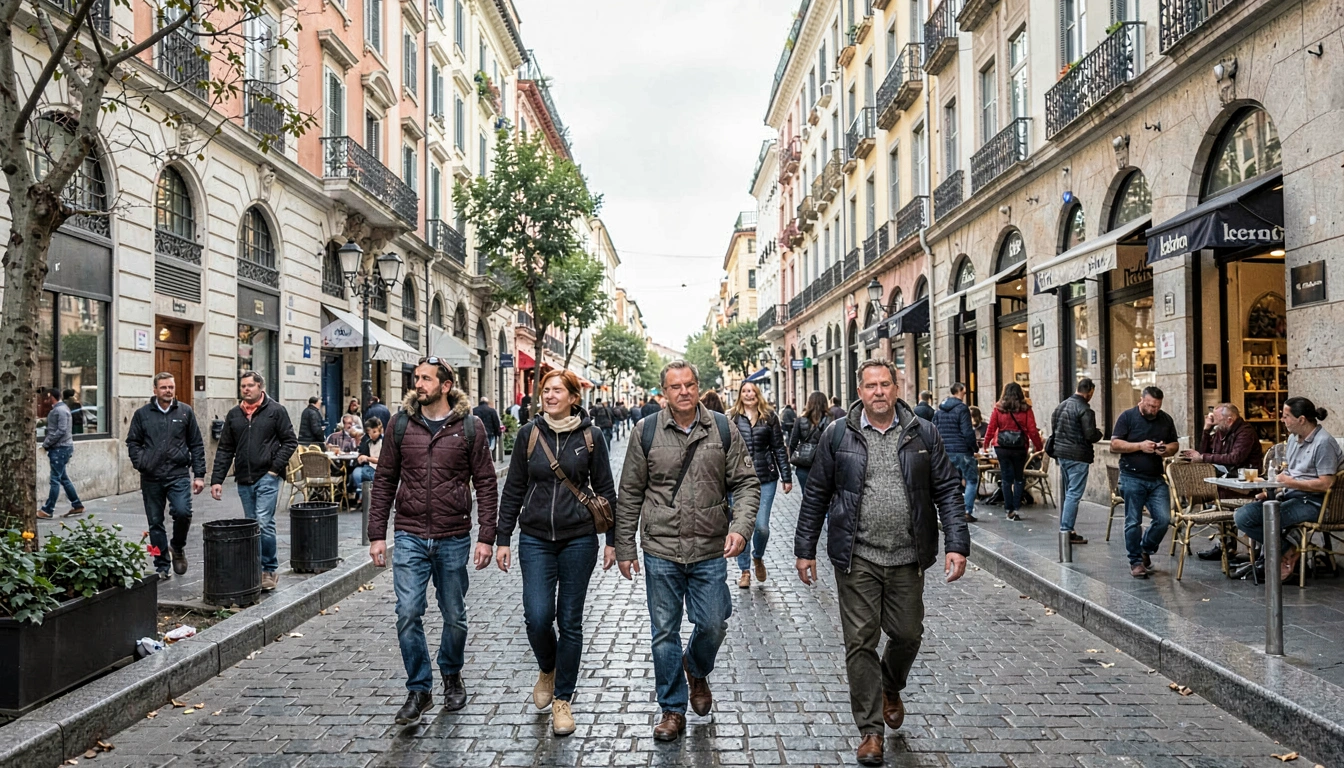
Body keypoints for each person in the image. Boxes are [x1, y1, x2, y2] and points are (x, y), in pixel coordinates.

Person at [793, 359, 969, 767]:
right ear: (860, 390)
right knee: (860, 642)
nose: (878, 392)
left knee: (908, 633)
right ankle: (870, 731)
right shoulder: (838, 435)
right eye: (870, 385)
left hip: (908, 555)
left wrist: (957, 543)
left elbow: (946, 489)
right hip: (857, 556)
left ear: (896, 386)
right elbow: (816, 494)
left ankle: (891, 685)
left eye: (885, 384)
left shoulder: (923, 432)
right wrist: (805, 549)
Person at [615, 360, 760, 742]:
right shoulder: (645, 431)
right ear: (664, 393)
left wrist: (741, 528)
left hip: (710, 547)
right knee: (664, 632)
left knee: (713, 623)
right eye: (675, 386)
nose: (683, 391)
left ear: (698, 387)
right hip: (660, 548)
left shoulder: (723, 428)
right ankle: (671, 709)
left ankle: (695, 668)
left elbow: (746, 483)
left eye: (690, 384)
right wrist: (624, 544)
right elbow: (629, 492)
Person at [367, 358, 498, 726]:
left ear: (445, 385)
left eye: (425, 378)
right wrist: (377, 533)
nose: (418, 384)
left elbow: (487, 483)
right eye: (415, 378)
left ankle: (451, 674)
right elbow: (384, 481)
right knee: (408, 612)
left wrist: (486, 536)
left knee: (454, 616)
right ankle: (419, 688)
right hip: (409, 533)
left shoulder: (470, 428)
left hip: (453, 535)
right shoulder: (400, 424)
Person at [495, 369, 618, 736]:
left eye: (557, 391)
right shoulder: (528, 435)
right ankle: (547, 667)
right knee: (537, 616)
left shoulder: (591, 437)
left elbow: (607, 491)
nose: (549, 396)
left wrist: (612, 540)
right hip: (534, 538)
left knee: (570, 621)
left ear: (573, 397)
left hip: (579, 538)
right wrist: (503, 538)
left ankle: (563, 698)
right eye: (545, 390)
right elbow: (514, 488)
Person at [1234, 398, 1341, 582]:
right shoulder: (1292, 439)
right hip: (1291, 496)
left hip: (1315, 502)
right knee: (1242, 516)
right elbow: (1289, 472)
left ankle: (1279, 556)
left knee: (1269, 517)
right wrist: (1272, 489)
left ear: (1301, 419)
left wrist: (1290, 482)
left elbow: (1326, 483)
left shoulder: (1324, 443)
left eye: (1286, 416)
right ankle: (1288, 548)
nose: (1282, 420)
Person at [210, 372, 298, 591]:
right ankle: (254, 569)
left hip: (267, 477)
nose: (246, 389)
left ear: (260, 387)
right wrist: (217, 480)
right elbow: (225, 449)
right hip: (243, 478)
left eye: (250, 385)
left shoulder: (276, 411)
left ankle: (269, 569)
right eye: (243, 386)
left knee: (263, 521)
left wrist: (274, 469)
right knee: (251, 523)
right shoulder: (234, 415)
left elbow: (290, 441)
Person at [126, 373, 207, 579]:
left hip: (178, 473)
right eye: (163, 387)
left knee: (183, 512)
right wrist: (141, 462)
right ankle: (161, 564)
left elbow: (196, 444)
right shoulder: (142, 414)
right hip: (151, 476)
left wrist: (199, 474)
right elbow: (133, 441)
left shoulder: (185, 412)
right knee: (155, 522)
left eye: (171, 387)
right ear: (155, 390)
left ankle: (177, 547)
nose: (168, 391)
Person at [1110, 386, 1180, 578]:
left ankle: (1145, 549)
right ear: (1141, 400)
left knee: (1164, 519)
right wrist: (1140, 446)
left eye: (1157, 406)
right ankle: (1135, 562)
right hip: (1131, 475)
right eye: (1150, 406)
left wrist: (1165, 449)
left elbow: (1175, 444)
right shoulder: (1127, 417)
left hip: (1156, 477)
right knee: (1133, 521)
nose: (1153, 410)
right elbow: (1114, 444)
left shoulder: (1165, 419)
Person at [728, 380, 792, 589]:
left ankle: (758, 556)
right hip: (739, 480)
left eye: (752, 391)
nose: (748, 394)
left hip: (766, 478)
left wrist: (786, 476)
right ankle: (745, 570)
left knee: (761, 527)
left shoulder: (769, 417)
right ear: (740, 394)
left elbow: (778, 447)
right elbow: (724, 449)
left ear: (757, 394)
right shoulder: (732, 417)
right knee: (742, 526)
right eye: (744, 391)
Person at [1181, 403, 1263, 561]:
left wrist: (1203, 458)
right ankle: (1225, 545)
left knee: (1221, 495)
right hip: (1230, 477)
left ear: (1230, 420)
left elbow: (1235, 458)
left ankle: (1235, 546)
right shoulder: (1221, 431)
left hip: (1250, 476)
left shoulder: (1245, 432)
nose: (1215, 423)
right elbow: (1204, 452)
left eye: (1217, 420)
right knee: (1219, 494)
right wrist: (1206, 430)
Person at [1049, 378, 1105, 544]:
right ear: (1090, 392)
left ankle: (1068, 528)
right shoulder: (1085, 409)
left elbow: (1055, 429)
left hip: (1061, 454)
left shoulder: (1060, 406)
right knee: (1074, 493)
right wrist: (1099, 433)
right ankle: (1066, 530)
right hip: (1078, 455)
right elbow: (1090, 434)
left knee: (1069, 492)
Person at [983, 382, 1043, 522]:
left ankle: (1008, 509)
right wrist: (1039, 447)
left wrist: (986, 443)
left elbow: (991, 427)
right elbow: (1032, 430)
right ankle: (1016, 507)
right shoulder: (1026, 409)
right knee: (1019, 478)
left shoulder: (998, 408)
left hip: (1002, 447)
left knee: (1005, 478)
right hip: (1019, 447)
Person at [933, 383, 980, 523]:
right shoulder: (962, 408)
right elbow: (967, 432)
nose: (965, 396)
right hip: (962, 450)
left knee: (951, 482)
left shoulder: (939, 410)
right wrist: (974, 447)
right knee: (971, 480)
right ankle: (966, 511)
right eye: (964, 393)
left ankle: (950, 510)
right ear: (960, 391)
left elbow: (934, 429)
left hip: (945, 450)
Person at [38, 388, 84, 519]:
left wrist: (47, 443)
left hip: (60, 448)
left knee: (55, 480)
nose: (45, 400)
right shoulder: (62, 409)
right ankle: (77, 504)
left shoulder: (60, 410)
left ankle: (48, 509)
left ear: (51, 397)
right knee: (63, 478)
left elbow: (61, 430)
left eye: (47, 398)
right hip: (62, 448)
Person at [788, 391, 832, 493]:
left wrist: (794, 458)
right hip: (824, 465)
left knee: (806, 496)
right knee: (824, 498)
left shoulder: (800, 420)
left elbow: (793, 442)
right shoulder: (831, 420)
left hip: (804, 465)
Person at [351, 417, 383, 504]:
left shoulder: (384, 441)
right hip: (368, 466)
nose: (372, 435)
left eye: (375, 432)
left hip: (379, 468)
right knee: (356, 473)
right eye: (369, 433)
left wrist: (367, 458)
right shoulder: (368, 442)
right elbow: (362, 452)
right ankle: (363, 494)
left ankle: (366, 496)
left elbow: (382, 460)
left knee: (368, 475)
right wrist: (360, 457)